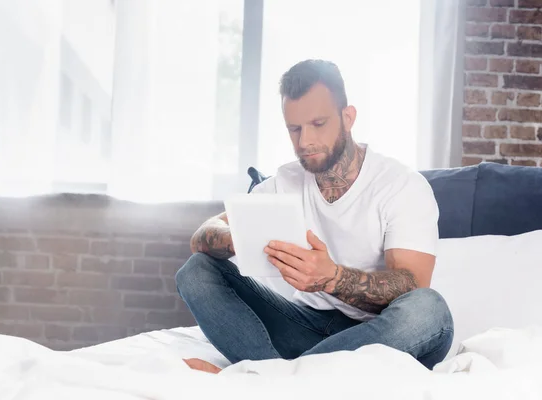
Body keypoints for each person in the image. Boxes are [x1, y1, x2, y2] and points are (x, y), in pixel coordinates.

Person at [176, 59, 453, 374]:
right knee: (196, 271)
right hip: (305, 327)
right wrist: (236, 236)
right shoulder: (285, 182)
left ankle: (267, 382)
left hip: (382, 339)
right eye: (295, 129)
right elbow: (203, 234)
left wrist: (331, 278)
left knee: (429, 309)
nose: (304, 141)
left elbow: (413, 283)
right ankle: (289, 381)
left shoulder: (400, 185)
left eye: (318, 124)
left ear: (348, 118)